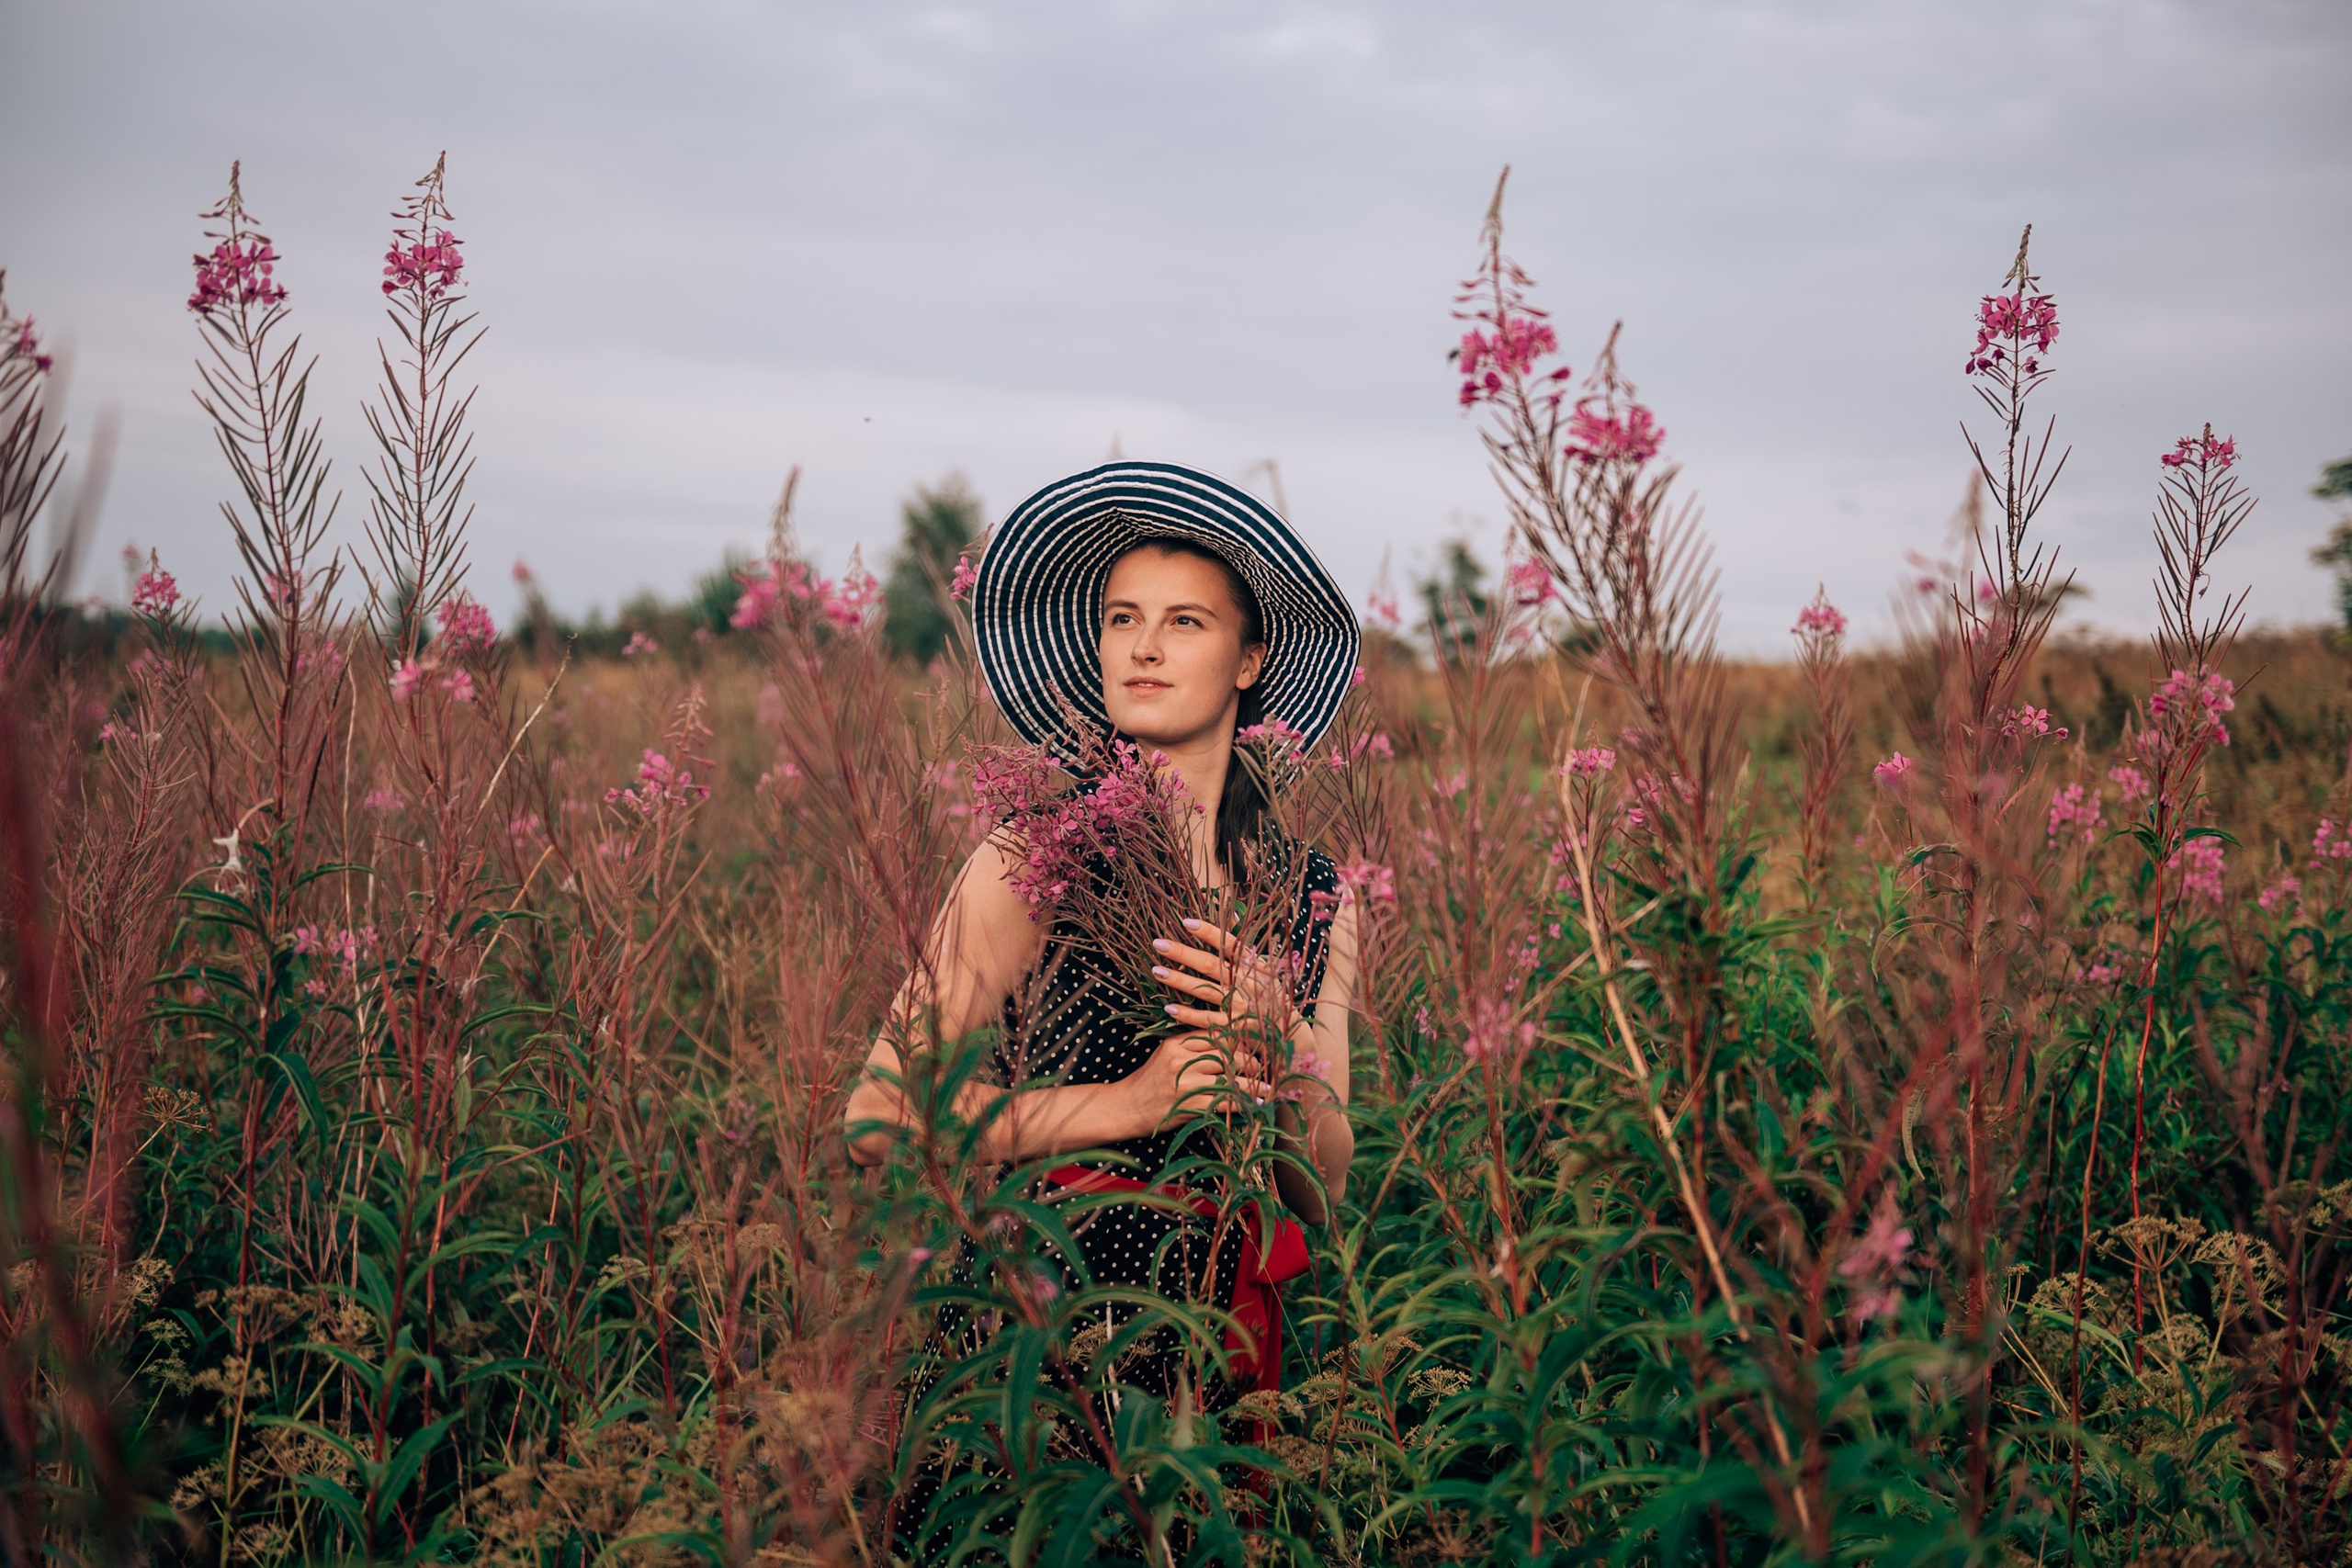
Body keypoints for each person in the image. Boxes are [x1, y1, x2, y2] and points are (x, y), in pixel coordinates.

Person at [842, 461, 1364, 1556]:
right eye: (1122, 618)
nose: (1142, 646)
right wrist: (1128, 1105)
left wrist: (1275, 1062)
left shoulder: (1314, 897)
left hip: (1224, 1372)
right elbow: (880, 1115)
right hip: (1043, 1342)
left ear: (1250, 657)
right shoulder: (1029, 859)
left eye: (1184, 621)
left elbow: (1318, 1189)